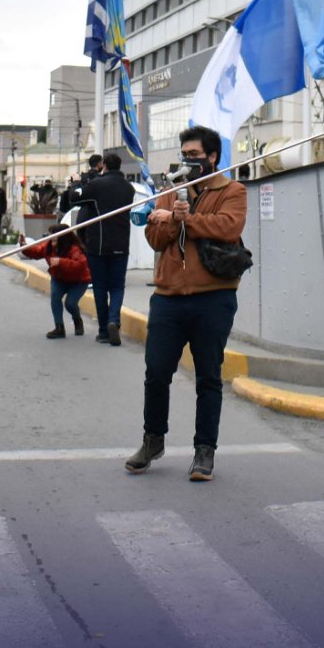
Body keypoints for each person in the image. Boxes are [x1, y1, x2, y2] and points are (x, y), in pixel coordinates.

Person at [127, 126, 246, 482]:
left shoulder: (232, 190)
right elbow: (154, 237)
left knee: (209, 376)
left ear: (212, 157)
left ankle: (204, 451)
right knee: (156, 372)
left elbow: (227, 227)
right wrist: (168, 213)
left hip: (214, 296)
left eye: (195, 155)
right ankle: (153, 440)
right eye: (184, 154)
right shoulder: (171, 190)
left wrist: (181, 217)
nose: (188, 160)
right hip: (168, 297)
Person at [79, 152, 136, 346]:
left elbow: (77, 198)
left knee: (101, 288)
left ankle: (104, 330)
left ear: (104, 165)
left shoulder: (96, 185)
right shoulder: (128, 188)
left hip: (98, 244)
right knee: (117, 286)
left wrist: (85, 181)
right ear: (120, 167)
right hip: (121, 244)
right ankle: (114, 320)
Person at [25, 225, 92, 338]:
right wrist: (24, 247)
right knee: (55, 297)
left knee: (70, 304)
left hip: (78, 281)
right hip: (59, 278)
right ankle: (59, 327)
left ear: (63, 237)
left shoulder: (74, 249)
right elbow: (36, 252)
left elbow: (81, 265)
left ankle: (77, 319)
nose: (51, 239)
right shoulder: (48, 246)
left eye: (54, 236)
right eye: (51, 236)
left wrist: (61, 262)